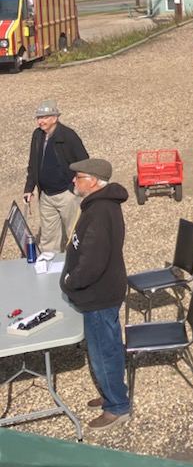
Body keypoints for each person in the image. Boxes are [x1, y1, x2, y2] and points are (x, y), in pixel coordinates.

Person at [61, 157, 131, 431]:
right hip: (103, 292)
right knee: (106, 348)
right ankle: (111, 392)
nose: (73, 182)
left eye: (77, 177)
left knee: (105, 352)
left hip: (99, 296)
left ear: (93, 181)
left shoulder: (100, 212)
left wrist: (70, 281)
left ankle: (117, 407)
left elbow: (92, 263)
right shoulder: (99, 205)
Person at [24, 99, 88, 253]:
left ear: (55, 118)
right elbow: (33, 163)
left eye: (44, 117)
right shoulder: (37, 135)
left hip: (66, 194)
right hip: (46, 196)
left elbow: (84, 160)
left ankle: (76, 269)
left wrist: (77, 178)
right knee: (48, 239)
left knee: (74, 235)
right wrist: (28, 188)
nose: (40, 121)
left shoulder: (68, 135)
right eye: (39, 118)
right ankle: (49, 269)